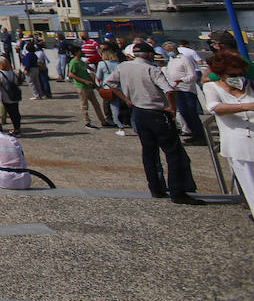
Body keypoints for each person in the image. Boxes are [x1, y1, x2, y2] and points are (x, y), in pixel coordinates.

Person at [105, 41, 201, 204]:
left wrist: (127, 100)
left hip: (138, 113)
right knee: (173, 153)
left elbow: (109, 83)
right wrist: (172, 109)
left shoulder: (124, 67)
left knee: (149, 152)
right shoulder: (151, 69)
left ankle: (155, 188)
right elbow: (169, 90)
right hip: (157, 113)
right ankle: (177, 192)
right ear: (150, 55)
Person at [202, 50, 254, 217]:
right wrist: (247, 107)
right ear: (221, 74)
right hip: (238, 144)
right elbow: (214, 107)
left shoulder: (250, 86)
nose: (238, 77)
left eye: (241, 74)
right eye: (233, 74)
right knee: (250, 185)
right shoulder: (211, 87)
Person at [162, 42, 206, 144]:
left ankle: (200, 136)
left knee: (191, 113)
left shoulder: (184, 59)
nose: (168, 52)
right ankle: (193, 133)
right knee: (183, 113)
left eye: (169, 50)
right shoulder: (171, 60)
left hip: (187, 90)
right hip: (176, 90)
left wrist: (181, 80)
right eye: (166, 51)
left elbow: (193, 75)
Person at [67, 46, 109, 129]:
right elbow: (71, 74)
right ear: (76, 52)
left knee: (96, 104)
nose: (82, 52)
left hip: (89, 86)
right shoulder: (74, 62)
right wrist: (84, 81)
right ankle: (87, 122)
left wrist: (93, 76)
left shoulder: (81, 61)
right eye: (80, 51)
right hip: (81, 86)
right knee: (84, 105)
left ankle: (103, 121)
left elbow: (86, 69)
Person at [0, 56, 23, 134]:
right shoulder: (11, 72)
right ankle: (17, 127)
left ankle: (16, 129)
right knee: (16, 111)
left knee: (11, 112)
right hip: (14, 93)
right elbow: (16, 81)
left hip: (6, 94)